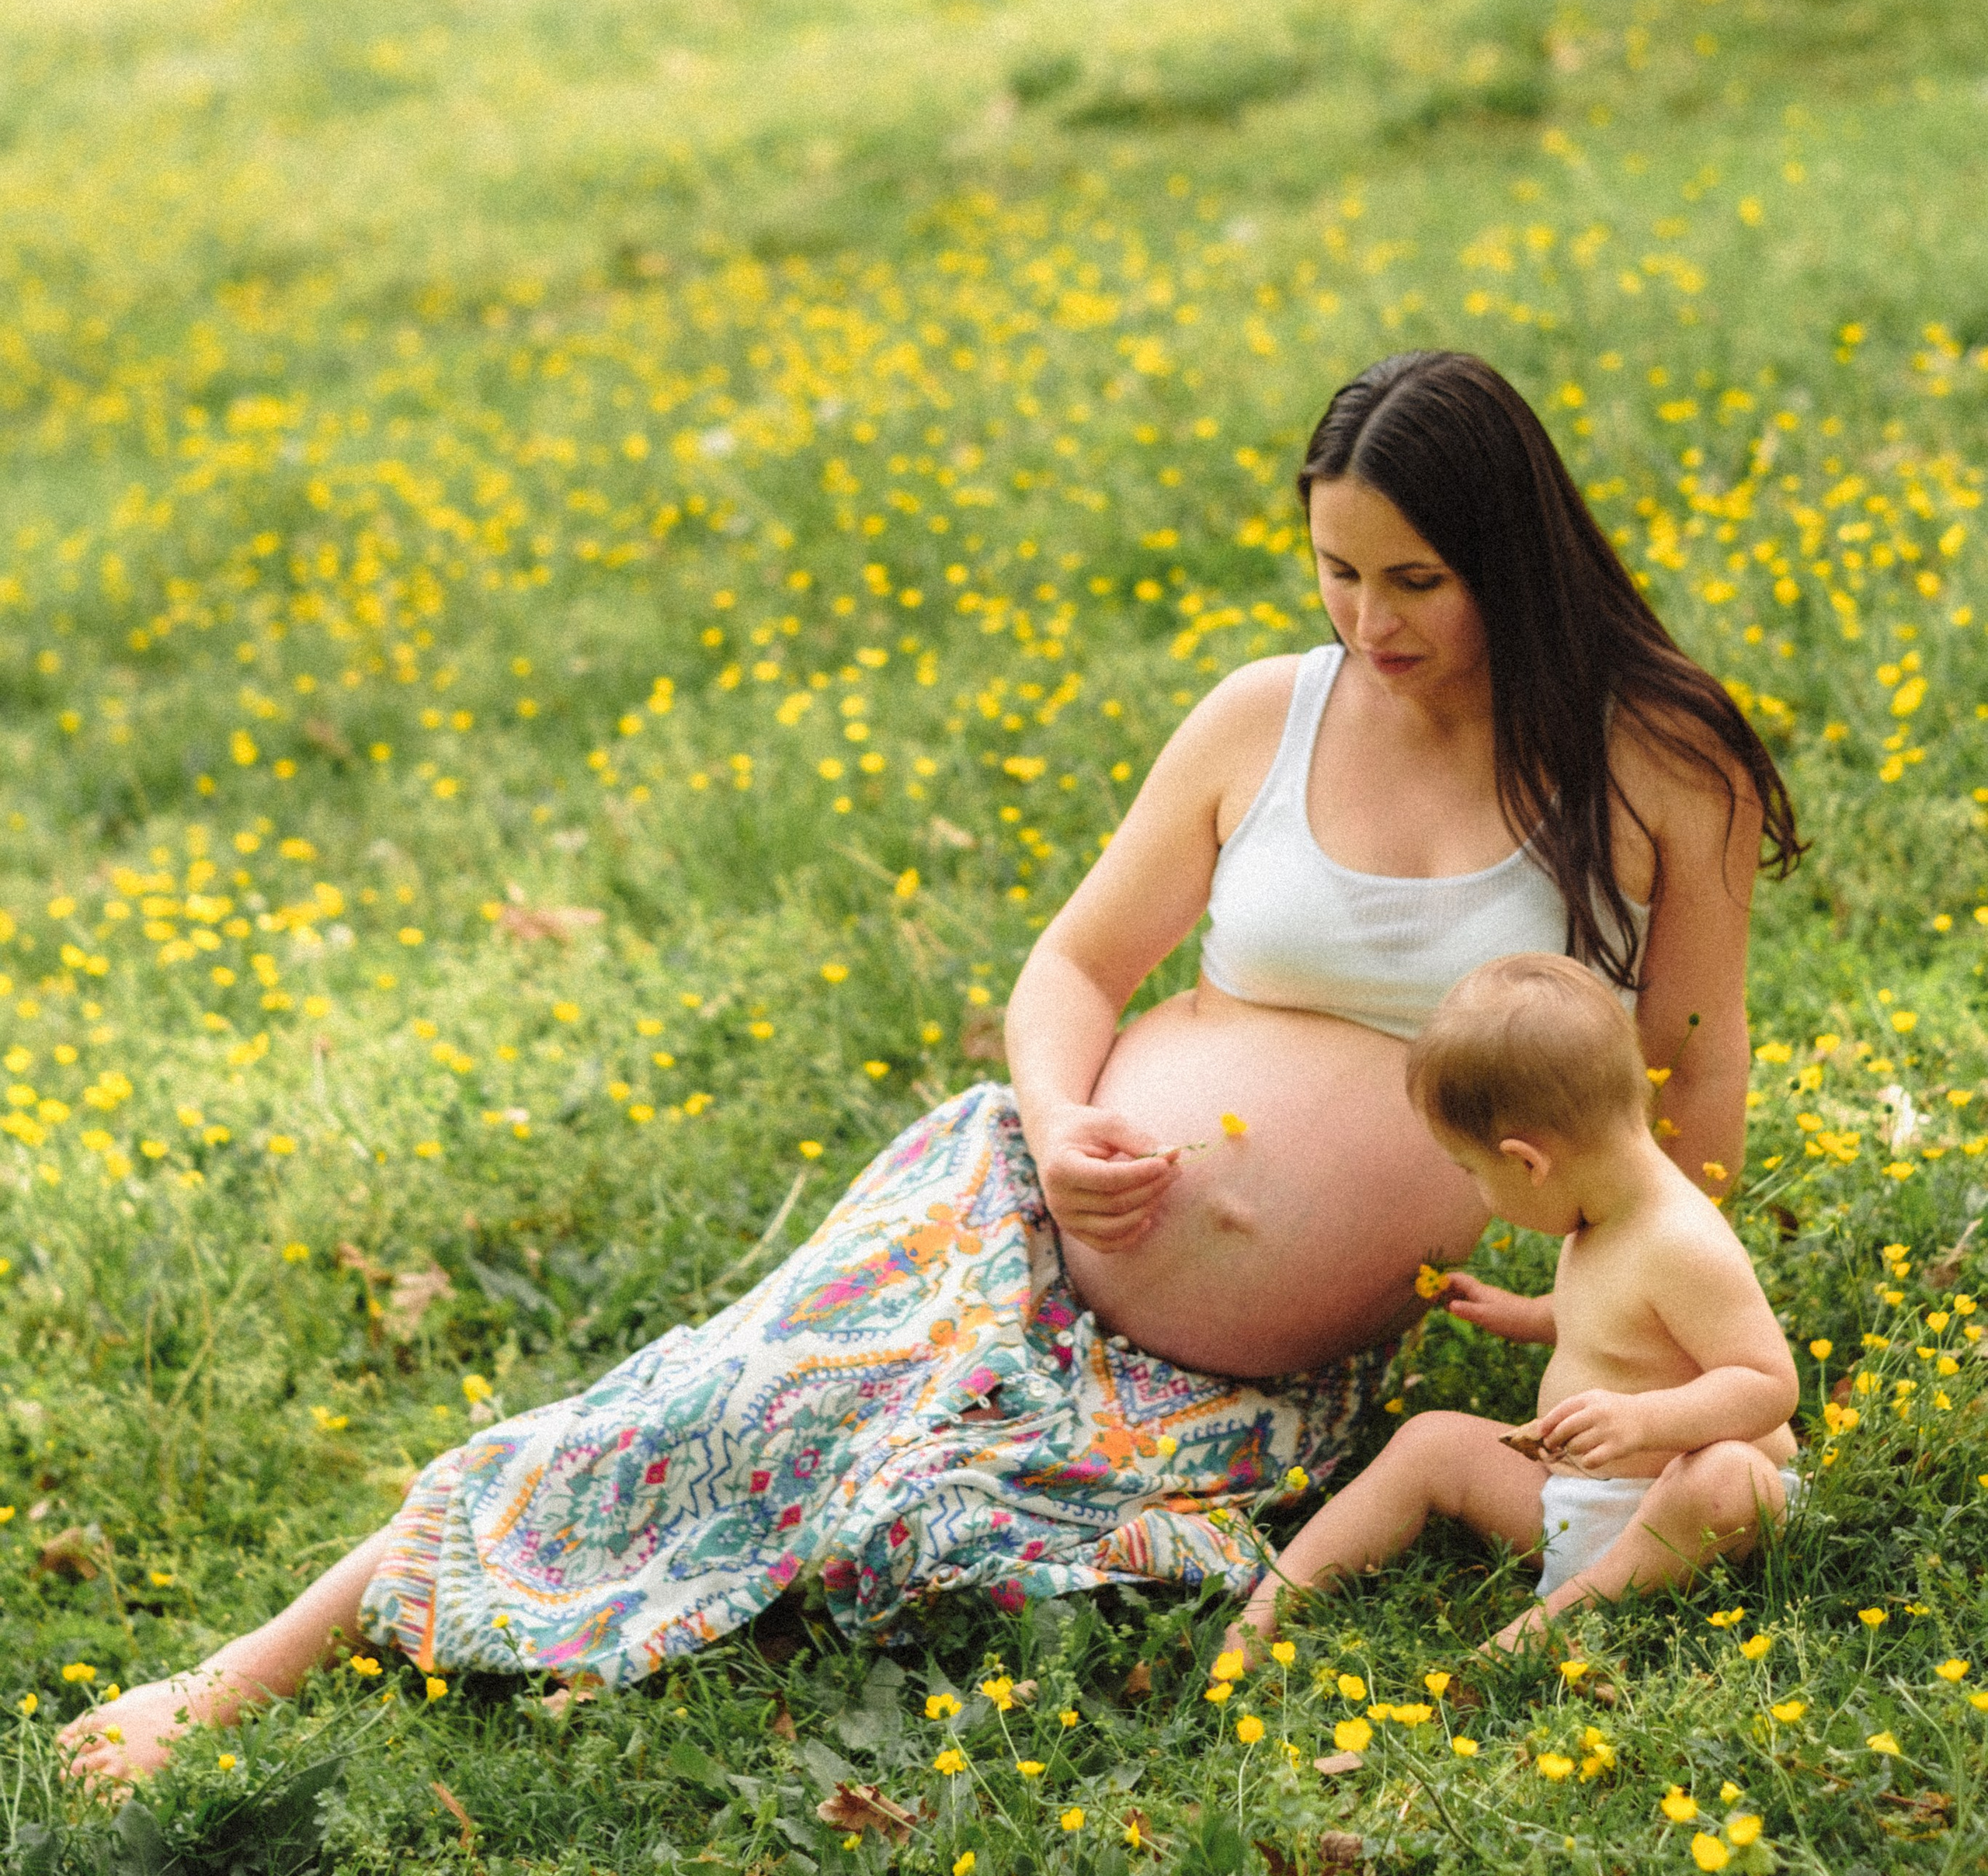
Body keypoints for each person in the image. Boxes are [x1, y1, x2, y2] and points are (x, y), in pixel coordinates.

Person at [61, 349, 1801, 1784]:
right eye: (1335, 570)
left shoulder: (1652, 761)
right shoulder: (1262, 717)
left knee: (900, 1522)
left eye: (1414, 580)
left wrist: (1657, 1327)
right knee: (718, 1404)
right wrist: (1059, 1119)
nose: (1367, 619)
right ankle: (235, 1677)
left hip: (1271, 1370)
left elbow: (1692, 1074)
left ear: (1514, 555)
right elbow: (1072, 971)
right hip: (1018, 1206)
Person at [1237, 953, 1802, 1651]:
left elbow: (1768, 1382)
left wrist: (1644, 1418)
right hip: (1578, 1503)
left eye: (1474, 1171)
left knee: (1733, 1480)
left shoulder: (1681, 1241)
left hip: (1679, 1519)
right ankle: (1269, 1605)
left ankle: (1553, 1622)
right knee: (1430, 1441)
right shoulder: (1604, 1209)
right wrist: (1529, 1315)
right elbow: (1622, 1321)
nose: (1477, 1191)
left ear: (1529, 1162)